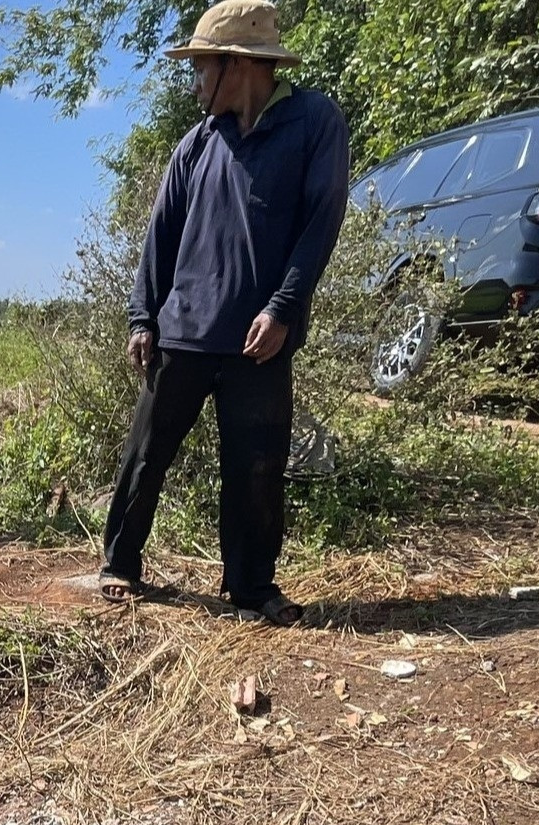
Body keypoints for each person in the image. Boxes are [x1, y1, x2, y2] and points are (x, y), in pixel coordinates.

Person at [98, 0, 349, 625]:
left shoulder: (314, 122)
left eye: (200, 68)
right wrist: (142, 317)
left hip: (260, 339)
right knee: (146, 454)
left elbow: (321, 223)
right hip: (183, 331)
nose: (194, 82)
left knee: (257, 467)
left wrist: (284, 307)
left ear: (235, 65)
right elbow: (160, 237)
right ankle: (120, 564)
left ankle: (253, 589)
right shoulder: (197, 144)